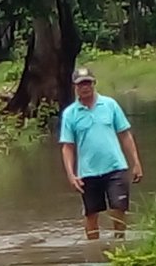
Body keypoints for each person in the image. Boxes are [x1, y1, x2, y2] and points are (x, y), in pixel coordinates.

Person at [59, 67, 144, 239]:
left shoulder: (110, 105)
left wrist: (136, 162)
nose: (85, 87)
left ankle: (120, 244)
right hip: (88, 172)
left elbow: (125, 134)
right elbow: (67, 146)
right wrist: (71, 174)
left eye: (88, 83)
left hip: (115, 167)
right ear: (75, 87)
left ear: (94, 83)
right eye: (81, 84)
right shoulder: (70, 114)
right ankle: (93, 253)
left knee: (119, 208)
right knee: (91, 214)